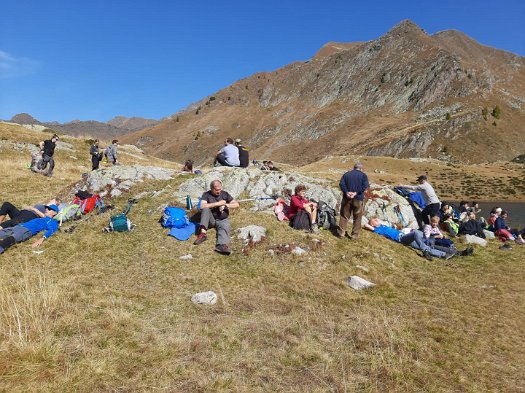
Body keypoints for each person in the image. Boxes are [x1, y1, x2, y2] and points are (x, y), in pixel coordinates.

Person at [364, 217, 472, 261]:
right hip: (401, 239)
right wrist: (370, 224)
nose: (376, 221)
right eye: (374, 221)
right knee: (417, 233)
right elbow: (366, 225)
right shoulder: (378, 230)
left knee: (430, 244)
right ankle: (425, 250)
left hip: (407, 237)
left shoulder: (383, 226)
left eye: (376, 220)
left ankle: (453, 254)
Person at [193, 180, 239, 255]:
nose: (219, 191)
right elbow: (202, 206)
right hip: (211, 220)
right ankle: (203, 234)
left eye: (220, 189)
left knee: (224, 228)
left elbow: (236, 204)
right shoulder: (206, 195)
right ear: (211, 189)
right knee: (205, 209)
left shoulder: (225, 194)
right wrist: (218, 204)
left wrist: (226, 205)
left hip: (222, 219)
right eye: (216, 190)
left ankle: (221, 246)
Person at [337, 162, 369, 240]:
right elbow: (365, 186)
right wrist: (356, 192)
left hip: (347, 198)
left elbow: (341, 184)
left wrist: (347, 192)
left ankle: (341, 233)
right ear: (361, 169)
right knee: (357, 217)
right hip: (358, 199)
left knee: (344, 216)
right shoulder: (364, 175)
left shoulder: (346, 174)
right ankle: (354, 235)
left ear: (354, 167)